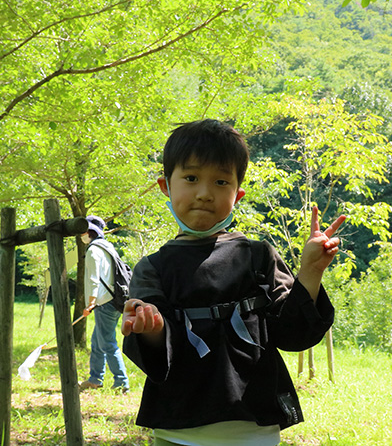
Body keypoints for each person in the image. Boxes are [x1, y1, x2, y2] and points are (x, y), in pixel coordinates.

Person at [121, 119, 346, 445]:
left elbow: (292, 334)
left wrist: (310, 271)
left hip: (254, 428)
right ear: (165, 186)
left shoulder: (258, 256)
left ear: (237, 194)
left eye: (221, 181)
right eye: (191, 178)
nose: (204, 193)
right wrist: (150, 327)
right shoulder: (153, 268)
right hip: (178, 429)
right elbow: (157, 349)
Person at [78, 215, 130, 393]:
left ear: (90, 231)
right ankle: (95, 378)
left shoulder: (93, 250)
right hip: (114, 301)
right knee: (97, 341)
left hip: (104, 303)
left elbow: (93, 280)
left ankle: (121, 382)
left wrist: (90, 304)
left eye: (83, 231)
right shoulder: (107, 247)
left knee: (107, 343)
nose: (80, 235)